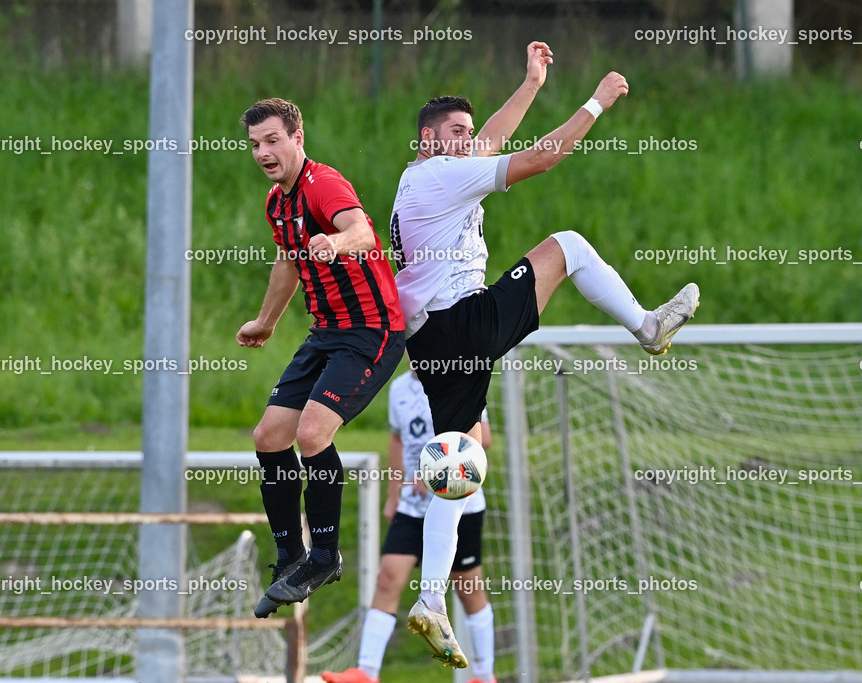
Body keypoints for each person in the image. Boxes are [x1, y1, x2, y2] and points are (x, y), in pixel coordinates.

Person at [390, 43, 700, 667]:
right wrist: (597, 102)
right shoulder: (440, 174)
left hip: (428, 344)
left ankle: (430, 600)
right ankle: (646, 326)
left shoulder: (426, 174)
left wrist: (531, 82)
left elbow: (493, 140)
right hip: (463, 325)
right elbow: (540, 158)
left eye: (468, 132)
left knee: (456, 463)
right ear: (427, 140)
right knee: (569, 245)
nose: (469, 141)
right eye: (456, 132)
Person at [236, 98, 406, 617]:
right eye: (255, 145)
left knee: (312, 434)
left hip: (372, 331)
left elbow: (361, 231)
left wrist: (337, 242)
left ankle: (326, 555)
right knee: (269, 436)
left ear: (297, 137)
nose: (264, 152)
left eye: (272, 140)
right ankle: (291, 555)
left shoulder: (322, 183)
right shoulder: (276, 202)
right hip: (327, 333)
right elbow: (288, 263)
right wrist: (265, 322)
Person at [322, 369, 497, 683]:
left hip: (460, 504)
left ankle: (484, 675)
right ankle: (366, 671)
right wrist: (393, 495)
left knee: (468, 589)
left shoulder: (460, 376)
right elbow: (397, 440)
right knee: (387, 578)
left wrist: (437, 472)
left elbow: (482, 440)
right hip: (412, 506)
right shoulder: (399, 387)